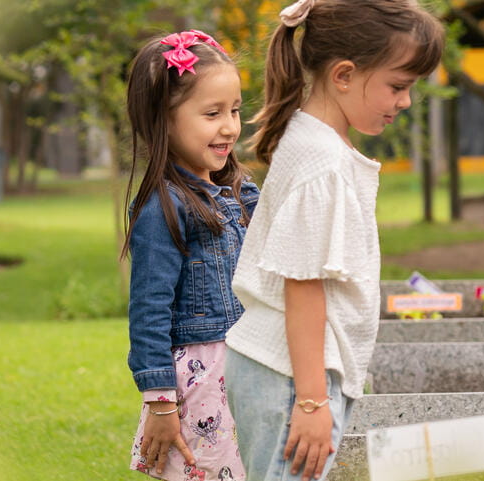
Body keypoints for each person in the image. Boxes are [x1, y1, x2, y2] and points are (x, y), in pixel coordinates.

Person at [222, 0, 443, 479]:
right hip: (291, 379)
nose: (405, 101)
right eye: (398, 86)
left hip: (284, 373)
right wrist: (310, 401)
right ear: (343, 75)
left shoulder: (315, 143)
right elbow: (303, 286)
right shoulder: (323, 163)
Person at [122, 29, 256, 480]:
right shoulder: (164, 208)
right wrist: (160, 402)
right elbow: (149, 308)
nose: (230, 127)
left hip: (250, 363)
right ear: (164, 120)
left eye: (235, 111)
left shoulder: (239, 192)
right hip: (203, 382)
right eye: (212, 113)